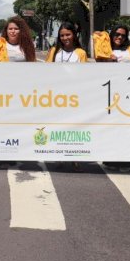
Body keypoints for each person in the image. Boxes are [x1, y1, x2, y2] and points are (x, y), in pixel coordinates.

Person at [0, 16, 36, 169]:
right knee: (1, 124)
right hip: (0, 92)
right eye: (10, 28)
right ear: (6, 30)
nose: (13, 31)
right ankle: (2, 156)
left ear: (21, 30)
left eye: (16, 28)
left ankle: (13, 154)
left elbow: (33, 69)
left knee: (15, 125)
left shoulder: (27, 47)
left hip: (19, 93)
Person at [95, 26, 130, 172]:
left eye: (123, 35)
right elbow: (98, 59)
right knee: (111, 129)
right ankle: (110, 160)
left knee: (126, 129)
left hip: (127, 94)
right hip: (109, 93)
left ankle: (126, 162)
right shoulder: (105, 49)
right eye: (117, 34)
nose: (120, 37)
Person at [46, 22, 87, 172]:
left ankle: (75, 158)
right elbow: (46, 72)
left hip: (74, 96)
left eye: (68, 34)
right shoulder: (54, 51)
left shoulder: (81, 53)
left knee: (74, 127)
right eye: (62, 35)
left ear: (74, 35)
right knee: (58, 126)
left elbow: (85, 75)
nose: (65, 38)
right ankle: (59, 156)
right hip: (56, 96)